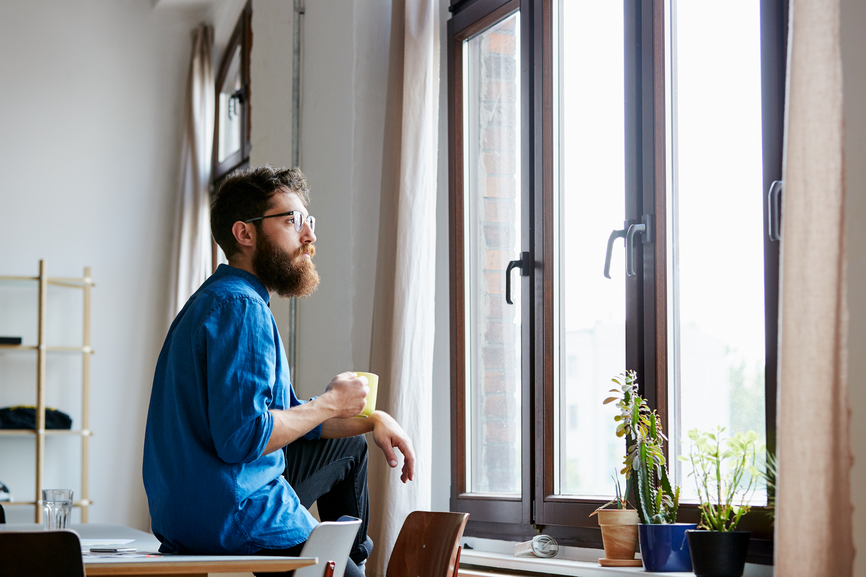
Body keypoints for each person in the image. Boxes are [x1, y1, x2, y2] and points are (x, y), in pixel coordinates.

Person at [142, 165, 415, 577]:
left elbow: (289, 420)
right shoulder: (242, 308)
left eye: (308, 221)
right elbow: (243, 437)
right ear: (245, 233)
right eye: (291, 221)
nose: (309, 236)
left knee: (351, 447)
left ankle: (346, 558)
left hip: (187, 516)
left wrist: (370, 418)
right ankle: (342, 563)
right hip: (233, 514)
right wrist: (329, 401)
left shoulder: (215, 300)